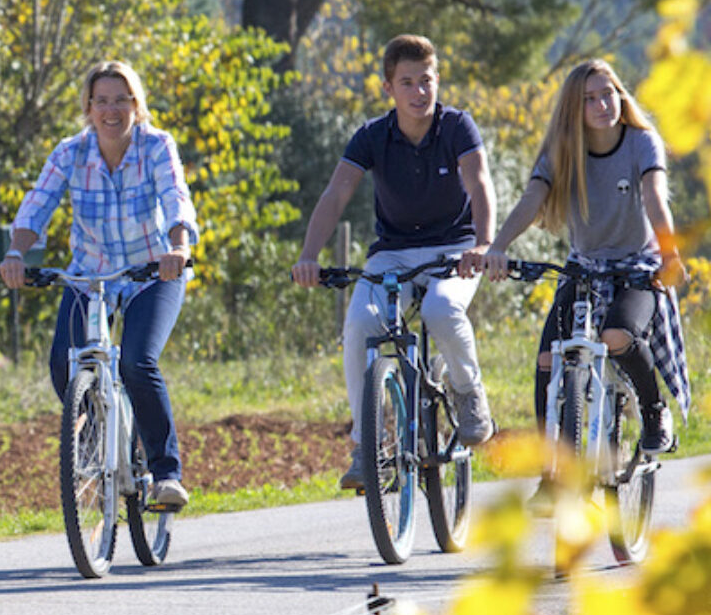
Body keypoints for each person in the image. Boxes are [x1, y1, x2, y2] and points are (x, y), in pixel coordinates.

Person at [291, 35, 498, 490]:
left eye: (426, 81)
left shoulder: (458, 126)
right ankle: (367, 445)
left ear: (437, 80)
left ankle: (468, 392)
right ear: (388, 88)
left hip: (455, 250)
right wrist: (308, 256)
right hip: (393, 252)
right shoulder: (371, 136)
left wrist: (483, 244)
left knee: (441, 310)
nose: (419, 92)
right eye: (407, 82)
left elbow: (480, 183)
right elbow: (336, 193)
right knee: (360, 325)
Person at [0, 61, 198, 509]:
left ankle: (166, 472)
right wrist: (16, 254)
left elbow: (175, 196)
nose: (111, 110)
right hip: (90, 275)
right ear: (88, 108)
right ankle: (93, 438)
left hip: (152, 273)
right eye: (101, 101)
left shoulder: (156, 146)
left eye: (121, 100)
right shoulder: (70, 152)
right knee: (62, 363)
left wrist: (179, 246)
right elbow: (37, 206)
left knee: (136, 361)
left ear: (136, 105)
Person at [474, 58, 688, 459]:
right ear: (576, 108)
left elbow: (656, 199)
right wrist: (499, 246)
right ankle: (551, 467)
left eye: (608, 94)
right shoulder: (564, 150)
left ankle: (654, 410)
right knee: (546, 360)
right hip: (585, 267)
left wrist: (669, 251)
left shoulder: (642, 141)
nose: (602, 104)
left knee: (617, 336)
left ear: (620, 96)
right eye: (590, 99)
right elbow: (531, 201)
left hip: (636, 267)